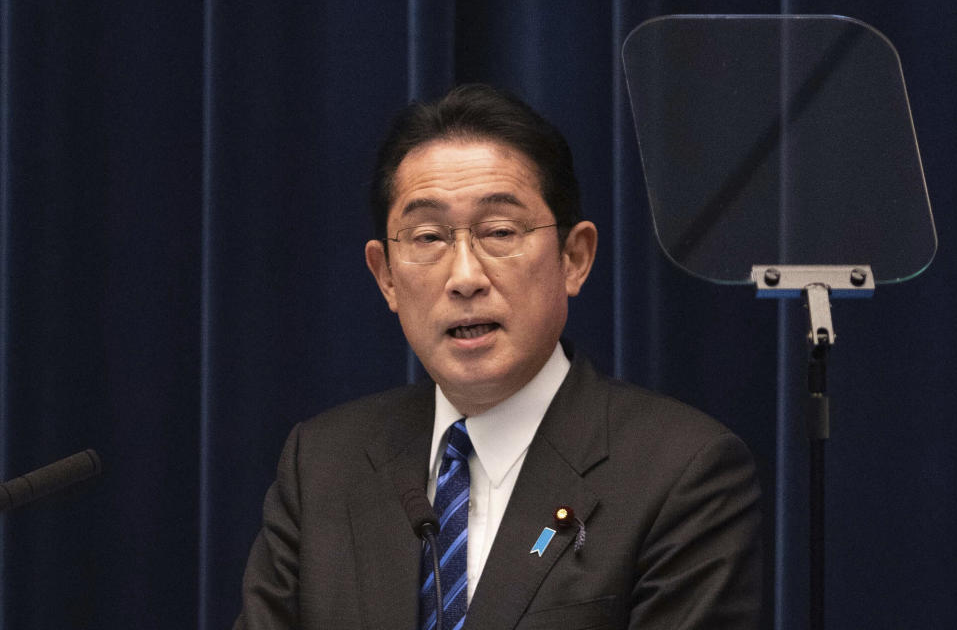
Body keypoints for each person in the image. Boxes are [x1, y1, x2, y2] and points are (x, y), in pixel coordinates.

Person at [234, 84, 761, 629]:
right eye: (429, 236)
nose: (465, 277)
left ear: (574, 258)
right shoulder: (322, 465)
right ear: (386, 276)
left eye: (500, 232)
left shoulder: (682, 472)